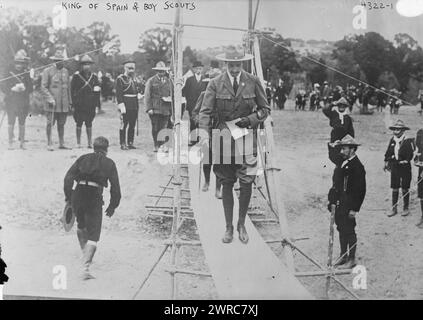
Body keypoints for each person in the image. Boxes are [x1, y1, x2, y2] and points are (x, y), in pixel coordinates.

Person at [199, 46, 270, 244]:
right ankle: (229, 227)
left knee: (246, 182)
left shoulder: (253, 81)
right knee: (226, 182)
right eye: (231, 65)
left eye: (238, 65)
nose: (235, 69)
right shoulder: (215, 83)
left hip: (247, 137)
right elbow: (204, 111)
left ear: (243, 63)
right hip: (223, 138)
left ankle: (241, 224)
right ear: (226, 64)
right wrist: (204, 134)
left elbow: (265, 109)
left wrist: (251, 119)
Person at [64, 136, 121, 280]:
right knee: (94, 236)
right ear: (106, 150)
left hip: (78, 192)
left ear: (94, 148)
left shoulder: (83, 158)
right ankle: (85, 268)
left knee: (81, 225)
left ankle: (85, 254)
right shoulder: (109, 163)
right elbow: (116, 188)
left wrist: (69, 196)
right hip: (94, 196)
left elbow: (68, 178)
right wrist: (112, 206)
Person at [327, 134, 366, 269]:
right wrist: (332, 146)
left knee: (349, 230)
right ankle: (343, 255)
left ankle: (352, 258)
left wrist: (354, 209)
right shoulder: (343, 161)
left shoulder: (357, 167)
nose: (342, 151)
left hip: (349, 204)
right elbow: (333, 156)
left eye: (344, 149)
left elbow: (361, 190)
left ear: (353, 150)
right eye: (341, 148)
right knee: (341, 228)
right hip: (339, 202)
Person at [191, 68, 222, 199]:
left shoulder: (224, 95)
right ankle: (207, 181)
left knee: (220, 160)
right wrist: (200, 122)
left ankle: (218, 188)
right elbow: (195, 112)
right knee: (207, 158)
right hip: (206, 130)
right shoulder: (204, 94)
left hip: (220, 130)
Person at [40, 47, 72, 151]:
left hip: (63, 104)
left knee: (61, 123)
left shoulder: (66, 71)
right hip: (52, 104)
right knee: (50, 123)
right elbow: (43, 87)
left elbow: (68, 88)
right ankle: (49, 143)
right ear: (54, 61)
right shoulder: (47, 71)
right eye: (57, 61)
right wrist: (49, 98)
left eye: (61, 60)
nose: (59, 62)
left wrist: (70, 102)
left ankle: (61, 143)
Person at [1, 50, 33, 150]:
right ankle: (10, 142)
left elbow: (30, 87)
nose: (19, 65)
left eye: (21, 63)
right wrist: (11, 89)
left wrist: (25, 89)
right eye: (17, 63)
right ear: (14, 62)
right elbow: (3, 85)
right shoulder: (8, 72)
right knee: (11, 121)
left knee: (22, 121)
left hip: (23, 100)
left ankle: (22, 142)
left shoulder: (26, 73)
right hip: (11, 100)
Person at [384, 120, 415, 217]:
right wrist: (386, 162)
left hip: (405, 167)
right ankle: (394, 208)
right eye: (395, 130)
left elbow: (410, 154)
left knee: (405, 186)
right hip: (395, 166)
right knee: (395, 186)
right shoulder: (392, 140)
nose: (396, 132)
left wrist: (406, 160)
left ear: (403, 131)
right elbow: (388, 152)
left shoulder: (408, 141)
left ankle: (405, 208)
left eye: (399, 130)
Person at [70, 55, 101, 149]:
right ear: (81, 66)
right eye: (84, 64)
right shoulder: (76, 76)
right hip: (79, 104)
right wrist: (72, 103)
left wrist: (97, 105)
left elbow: (97, 92)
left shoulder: (94, 77)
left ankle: (89, 143)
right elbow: (72, 90)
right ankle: (78, 143)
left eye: (88, 64)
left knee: (89, 123)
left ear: (91, 65)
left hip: (90, 104)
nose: (86, 66)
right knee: (78, 123)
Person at [144, 61, 172, 152]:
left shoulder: (169, 81)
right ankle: (156, 144)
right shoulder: (151, 81)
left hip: (166, 108)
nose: (161, 73)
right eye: (159, 71)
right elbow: (147, 95)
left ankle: (163, 145)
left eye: (163, 71)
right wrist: (149, 108)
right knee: (155, 127)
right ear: (156, 71)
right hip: (155, 108)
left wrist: (169, 99)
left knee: (164, 127)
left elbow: (172, 93)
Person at [115, 60, 141, 150]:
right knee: (124, 124)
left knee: (132, 124)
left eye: (133, 68)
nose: (131, 70)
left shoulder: (134, 79)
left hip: (134, 104)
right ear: (125, 68)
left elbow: (137, 90)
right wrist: (121, 105)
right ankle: (122, 143)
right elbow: (119, 94)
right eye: (129, 68)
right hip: (125, 104)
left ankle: (130, 142)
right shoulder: (120, 79)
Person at [182, 61, 207, 146]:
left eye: (200, 68)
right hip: (192, 105)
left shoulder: (205, 80)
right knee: (193, 122)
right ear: (193, 69)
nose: (198, 70)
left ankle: (201, 139)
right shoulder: (189, 80)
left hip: (202, 105)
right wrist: (188, 100)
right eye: (196, 68)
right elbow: (184, 92)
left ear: (202, 69)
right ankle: (193, 140)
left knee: (202, 122)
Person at [414, 129, 423, 228]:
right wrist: (416, 159)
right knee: (421, 193)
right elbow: (418, 150)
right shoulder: (420, 132)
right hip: (421, 169)